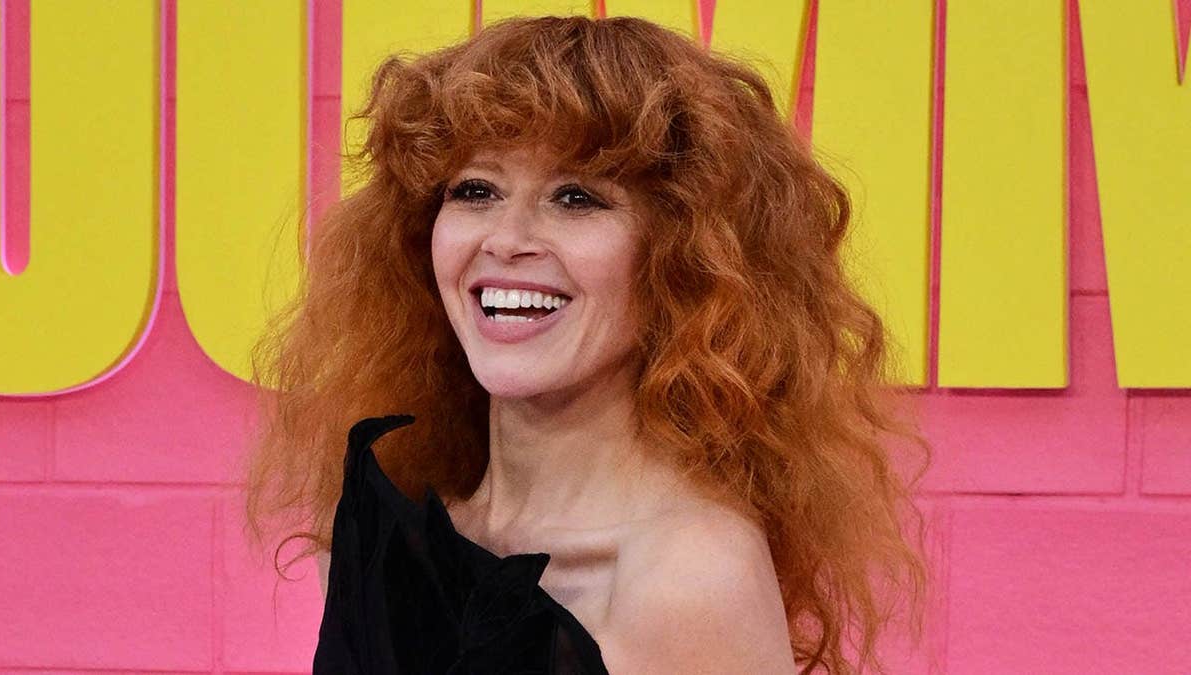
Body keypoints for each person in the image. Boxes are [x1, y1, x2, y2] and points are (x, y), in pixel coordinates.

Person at [244, 14, 931, 675]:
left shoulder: (688, 576)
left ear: (684, 259)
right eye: (477, 190)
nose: (507, 239)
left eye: (576, 198)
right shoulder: (393, 540)